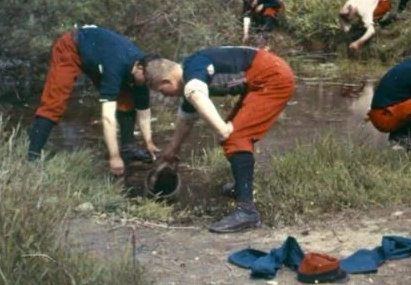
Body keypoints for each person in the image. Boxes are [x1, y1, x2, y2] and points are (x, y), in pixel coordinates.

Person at [142, 46, 295, 233]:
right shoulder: (190, 71)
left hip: (273, 77)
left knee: (236, 137)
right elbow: (186, 118)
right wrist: (172, 150)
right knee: (234, 135)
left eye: (162, 91)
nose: (165, 95)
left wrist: (222, 128)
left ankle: (247, 211)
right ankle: (241, 187)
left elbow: (195, 93)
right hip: (263, 76)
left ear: (166, 80)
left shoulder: (193, 69)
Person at [27, 25, 157, 175]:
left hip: (98, 57)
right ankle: (32, 157)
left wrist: (149, 142)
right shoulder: (117, 65)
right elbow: (107, 116)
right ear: (139, 68)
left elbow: (143, 110)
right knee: (54, 101)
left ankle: (127, 149)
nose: (147, 84)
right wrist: (114, 157)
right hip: (72, 46)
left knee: (126, 98)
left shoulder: (146, 71)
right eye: (146, 80)